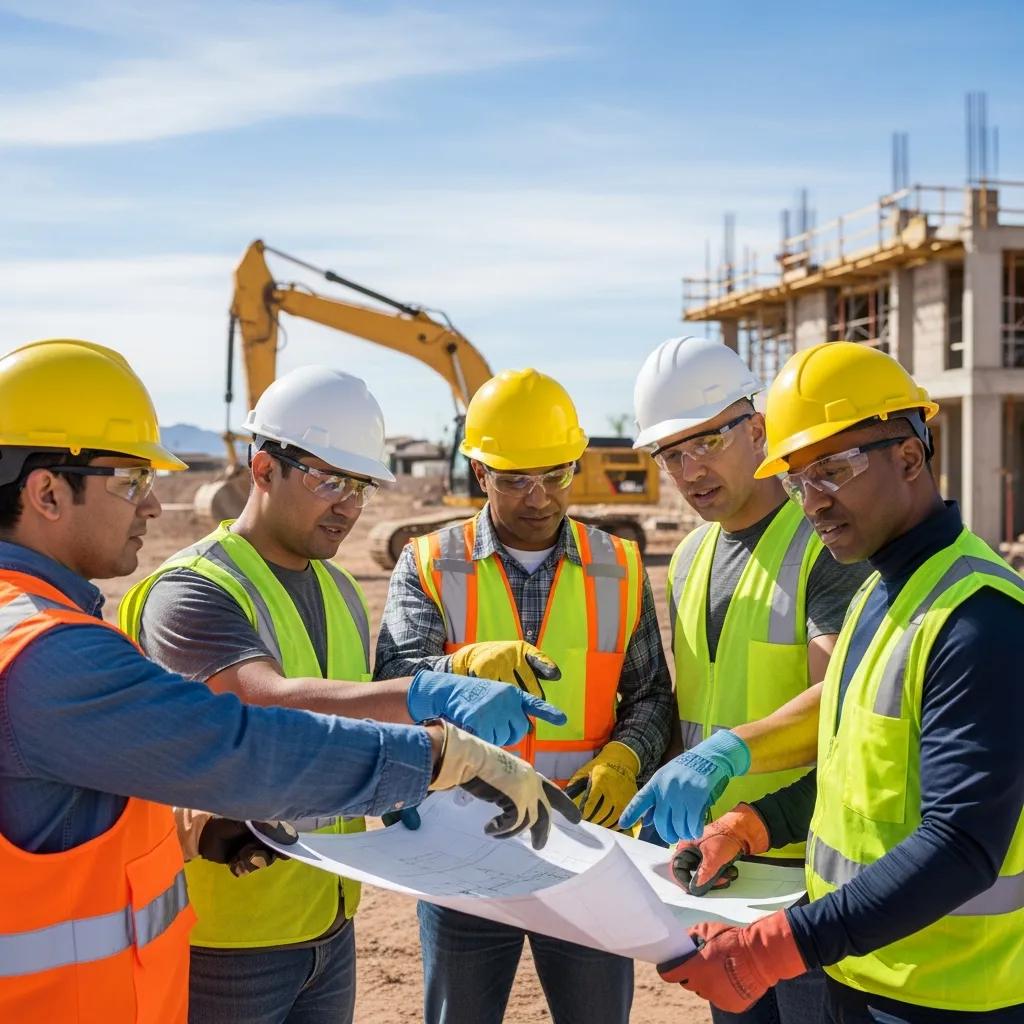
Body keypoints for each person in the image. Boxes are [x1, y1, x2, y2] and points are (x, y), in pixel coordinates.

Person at [0, 339, 578, 1024]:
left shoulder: (331, 588)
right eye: (130, 482)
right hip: (227, 947)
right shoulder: (60, 647)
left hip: (323, 910)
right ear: (45, 491)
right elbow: (242, 736)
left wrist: (199, 830)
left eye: (360, 487)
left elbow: (98, 788)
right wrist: (437, 752)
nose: (152, 508)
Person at [647, 342, 1024, 1021]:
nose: (812, 502)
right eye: (797, 481)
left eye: (832, 471)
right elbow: (854, 772)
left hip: (948, 992)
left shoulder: (979, 619)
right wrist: (752, 823)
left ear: (910, 457)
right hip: (863, 969)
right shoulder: (880, 599)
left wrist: (778, 947)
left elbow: (963, 845)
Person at [376, 368, 675, 1024]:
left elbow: (653, 696)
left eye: (556, 475)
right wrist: (460, 667)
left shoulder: (620, 566)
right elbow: (391, 685)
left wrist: (625, 759)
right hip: (462, 848)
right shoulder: (429, 562)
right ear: (479, 471)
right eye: (515, 479)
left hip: (585, 850)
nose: (538, 497)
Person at [620, 336, 869, 1023]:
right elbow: (696, 697)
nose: (691, 469)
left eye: (709, 442)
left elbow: (841, 708)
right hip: (718, 874)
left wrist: (726, 757)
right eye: (672, 454)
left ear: (758, 428)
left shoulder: (822, 539)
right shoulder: (688, 555)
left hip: (806, 874)